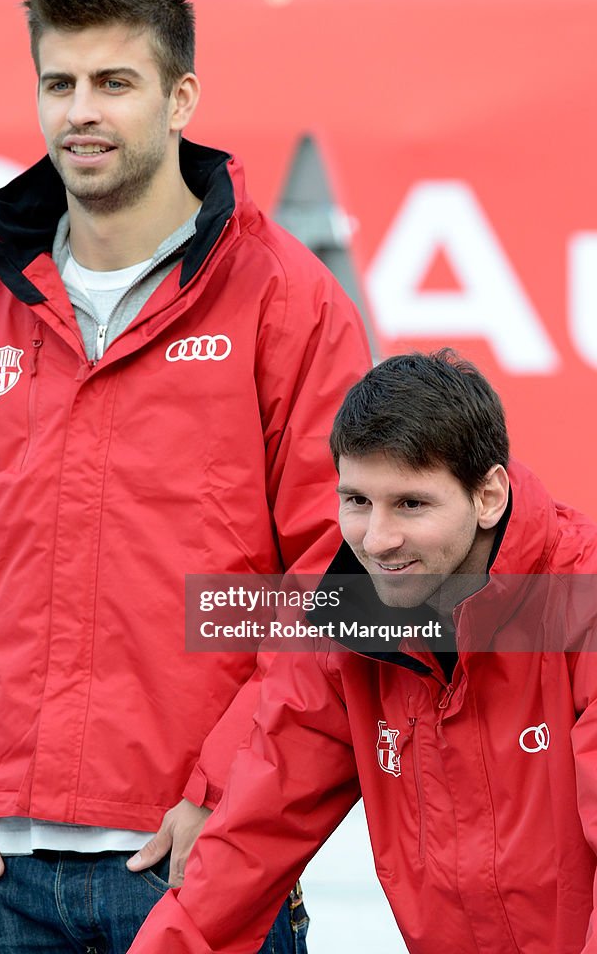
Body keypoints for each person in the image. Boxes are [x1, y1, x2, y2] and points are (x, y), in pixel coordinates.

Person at [0, 0, 371, 954]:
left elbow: (335, 577)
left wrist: (234, 797)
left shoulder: (283, 298)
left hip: (199, 860)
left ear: (180, 95)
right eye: (59, 82)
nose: (80, 111)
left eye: (114, 82)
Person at [127, 350, 597, 954]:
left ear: (488, 496)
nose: (376, 539)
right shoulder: (343, 615)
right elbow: (249, 843)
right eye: (356, 501)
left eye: (411, 504)